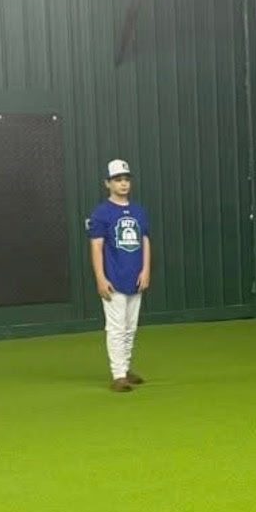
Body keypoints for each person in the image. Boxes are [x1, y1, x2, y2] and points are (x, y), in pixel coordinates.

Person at [87, 159, 152, 393]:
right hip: (114, 279)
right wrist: (101, 278)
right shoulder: (101, 213)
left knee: (131, 327)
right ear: (107, 183)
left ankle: (125, 368)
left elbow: (145, 241)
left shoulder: (139, 211)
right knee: (116, 327)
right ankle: (118, 375)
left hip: (135, 277)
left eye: (126, 180)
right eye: (118, 180)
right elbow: (96, 247)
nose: (123, 184)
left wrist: (145, 270)